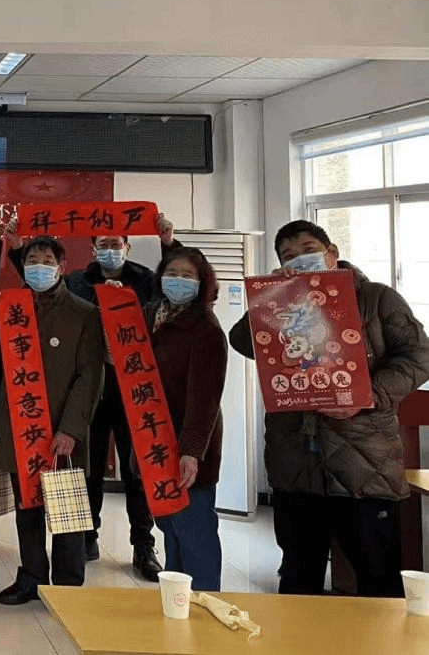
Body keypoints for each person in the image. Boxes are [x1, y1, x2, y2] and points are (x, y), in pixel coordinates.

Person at [229, 219, 429, 598]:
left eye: (308, 251)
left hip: (364, 465)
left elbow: (419, 357)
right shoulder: (282, 302)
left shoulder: (376, 298)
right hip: (296, 465)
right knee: (299, 578)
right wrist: (271, 294)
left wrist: (366, 395)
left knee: (379, 582)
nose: (300, 260)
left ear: (331, 253)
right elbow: (241, 340)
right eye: (289, 256)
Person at [5, 213, 177, 580]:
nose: (110, 249)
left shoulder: (145, 280)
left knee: (136, 470)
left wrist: (167, 245)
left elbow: (172, 293)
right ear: (93, 248)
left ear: (127, 247)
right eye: (103, 244)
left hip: (132, 391)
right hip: (87, 394)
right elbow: (42, 288)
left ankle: (143, 544)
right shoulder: (78, 282)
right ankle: (89, 536)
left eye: (116, 243)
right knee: (88, 470)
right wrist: (18, 251)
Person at [0, 235, 104, 605]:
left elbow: (90, 377)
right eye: (32, 260)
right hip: (20, 427)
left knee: (67, 512)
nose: (39, 266)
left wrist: (71, 429)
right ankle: (31, 577)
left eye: (47, 260)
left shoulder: (83, 312)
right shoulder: (10, 307)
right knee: (28, 507)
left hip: (62, 431)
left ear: (61, 267)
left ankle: (67, 587)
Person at [146, 247, 227, 591]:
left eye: (187, 275)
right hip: (155, 440)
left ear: (202, 282)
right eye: (172, 273)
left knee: (195, 531)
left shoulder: (205, 329)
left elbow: (205, 399)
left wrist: (191, 451)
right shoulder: (152, 316)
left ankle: (205, 600)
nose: (178, 280)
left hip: (189, 445)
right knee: (171, 527)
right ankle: (178, 602)